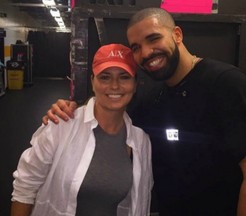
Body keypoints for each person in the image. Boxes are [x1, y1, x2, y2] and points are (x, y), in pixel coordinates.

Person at [42, 8, 246, 216]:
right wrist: (72, 109)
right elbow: (109, 109)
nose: (146, 53)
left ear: (177, 34)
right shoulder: (155, 98)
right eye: (136, 47)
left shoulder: (226, 84)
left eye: (153, 39)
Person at [11, 44, 153, 216]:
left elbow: (140, 200)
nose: (114, 86)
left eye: (124, 77)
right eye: (105, 77)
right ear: (93, 82)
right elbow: (24, 188)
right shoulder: (62, 124)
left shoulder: (141, 141)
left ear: (135, 84)